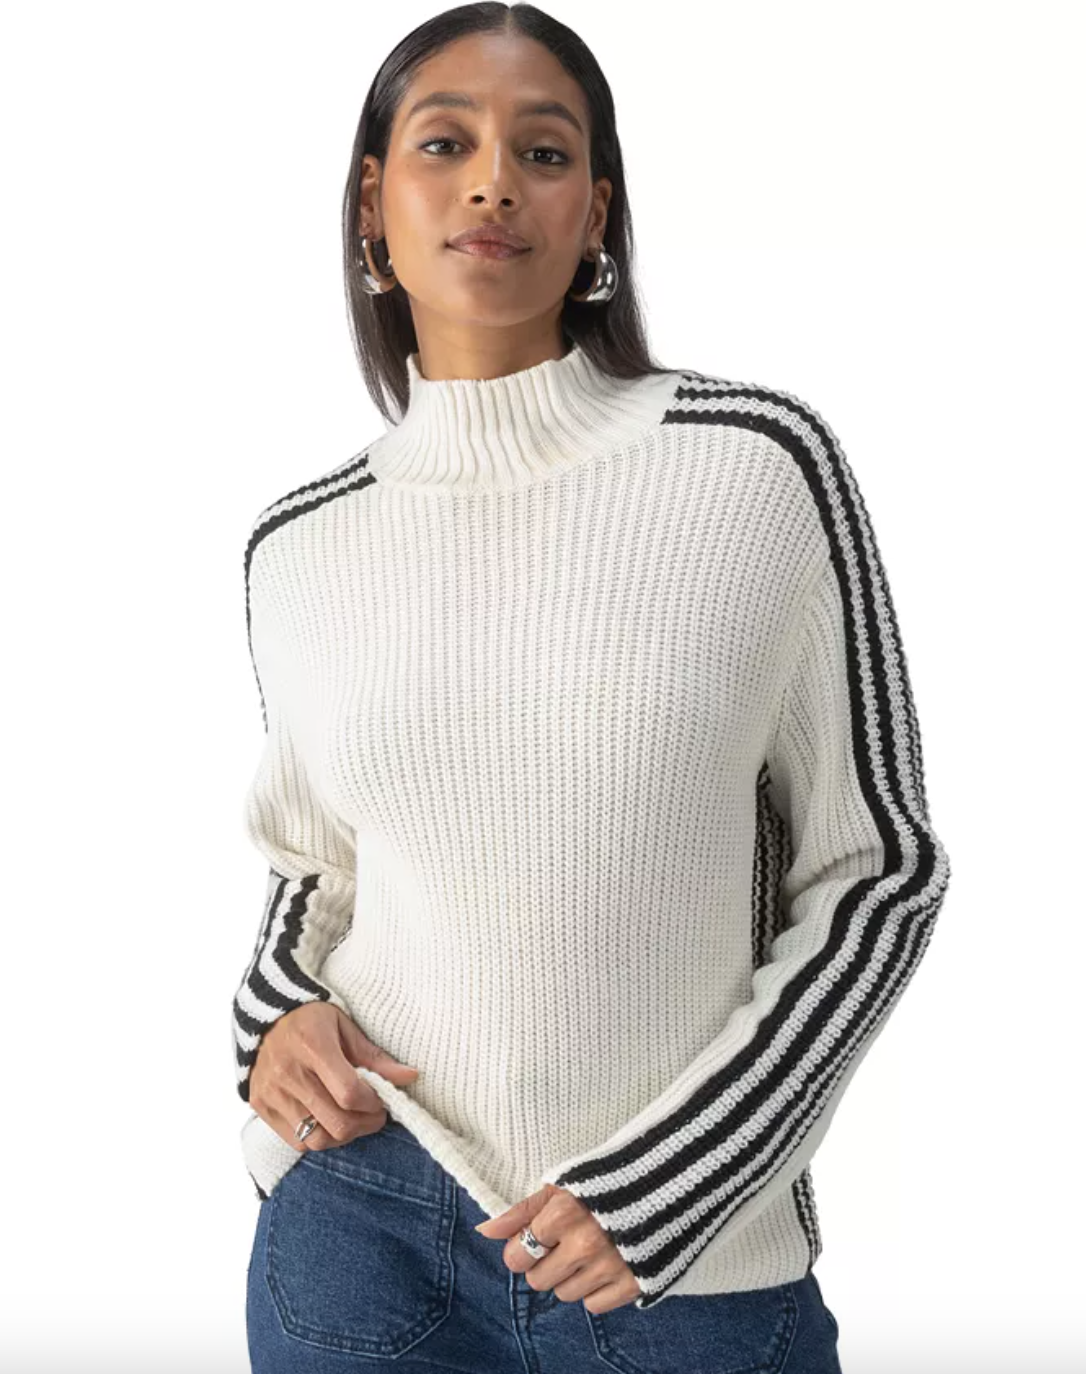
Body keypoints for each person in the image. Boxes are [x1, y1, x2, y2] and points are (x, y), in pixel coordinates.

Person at [233, 5, 952, 1371]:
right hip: (361, 1220)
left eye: (545, 151)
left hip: (683, 1265)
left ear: (596, 216)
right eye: (445, 143)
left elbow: (880, 874)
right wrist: (274, 1024)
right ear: (374, 206)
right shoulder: (299, 544)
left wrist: (673, 1181)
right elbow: (314, 871)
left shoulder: (757, 466)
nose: (494, 181)